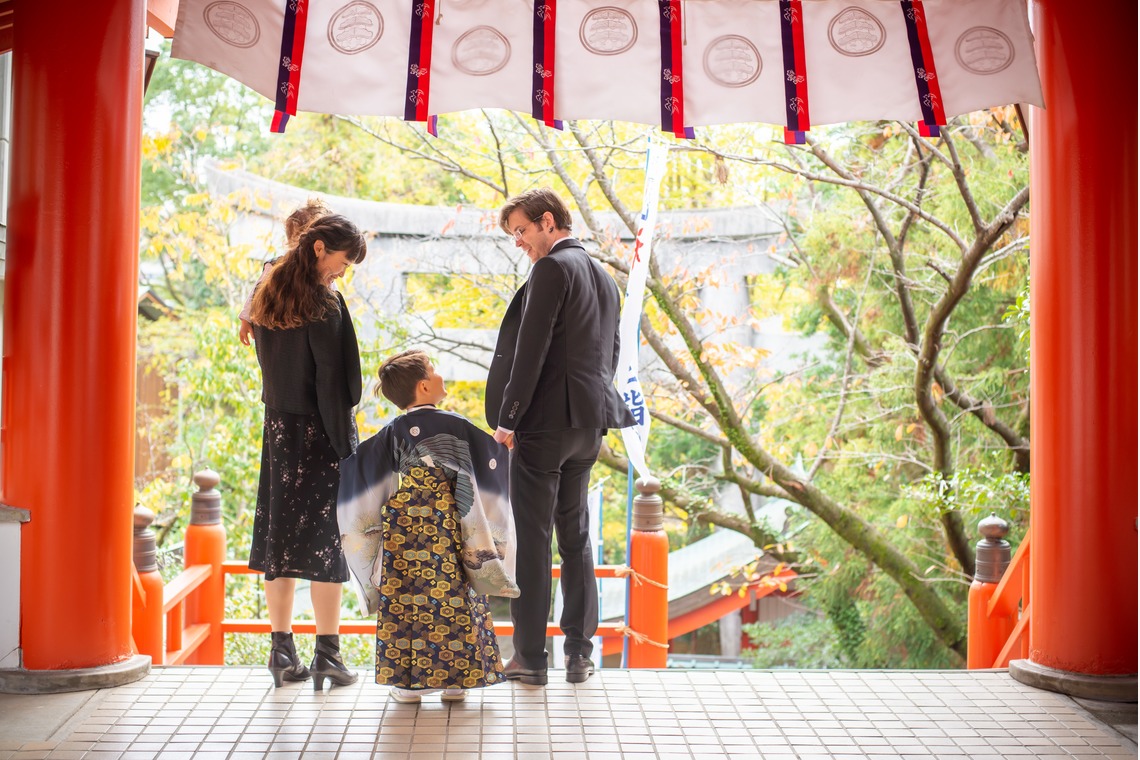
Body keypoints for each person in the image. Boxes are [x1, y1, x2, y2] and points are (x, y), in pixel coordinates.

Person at [485, 188, 634, 685]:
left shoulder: (551, 269)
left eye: (522, 231)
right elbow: (610, 350)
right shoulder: (604, 276)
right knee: (576, 537)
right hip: (589, 424)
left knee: (532, 539)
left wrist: (508, 419)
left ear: (548, 222)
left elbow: (531, 352)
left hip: (545, 425)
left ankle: (529, 656)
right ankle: (579, 653)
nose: (521, 243)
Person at [338, 349, 519, 703]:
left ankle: (407, 685)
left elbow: (357, 471)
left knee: (407, 597)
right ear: (424, 386)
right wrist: (504, 447)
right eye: (434, 371)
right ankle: (458, 681)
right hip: (453, 524)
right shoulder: (457, 425)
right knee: (456, 593)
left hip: (404, 529)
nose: (440, 376)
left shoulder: (392, 431)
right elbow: (493, 458)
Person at [247, 213, 368, 690]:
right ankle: (328, 656)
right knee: (325, 547)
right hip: (321, 435)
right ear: (319, 248)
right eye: (342, 260)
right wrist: (348, 449)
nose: (343, 271)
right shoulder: (325, 305)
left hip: (278, 430)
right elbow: (335, 385)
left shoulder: (267, 293)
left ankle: (281, 652)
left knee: (280, 540)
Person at [239, 198, 331, 346]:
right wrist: (246, 319)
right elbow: (256, 293)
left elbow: (333, 297)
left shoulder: (323, 271)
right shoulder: (276, 266)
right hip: (284, 327)